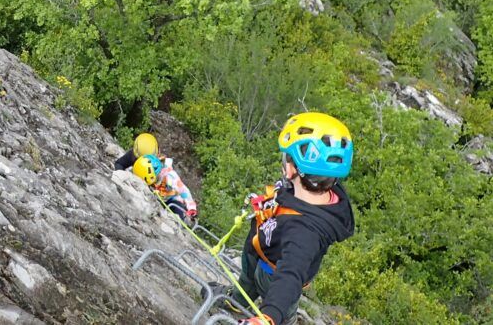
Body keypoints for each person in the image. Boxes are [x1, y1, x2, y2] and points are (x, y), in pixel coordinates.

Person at [224, 112, 356, 325]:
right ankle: (235, 300)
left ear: (293, 169)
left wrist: (269, 316)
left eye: (286, 158)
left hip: (273, 278)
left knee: (283, 313)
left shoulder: (305, 232)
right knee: (246, 281)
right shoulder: (319, 186)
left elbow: (290, 276)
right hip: (258, 250)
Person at [132, 153, 198, 227]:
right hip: (159, 197)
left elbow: (184, 191)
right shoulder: (148, 172)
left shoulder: (170, 177)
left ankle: (179, 227)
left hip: (173, 200)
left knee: (178, 214)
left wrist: (191, 208)